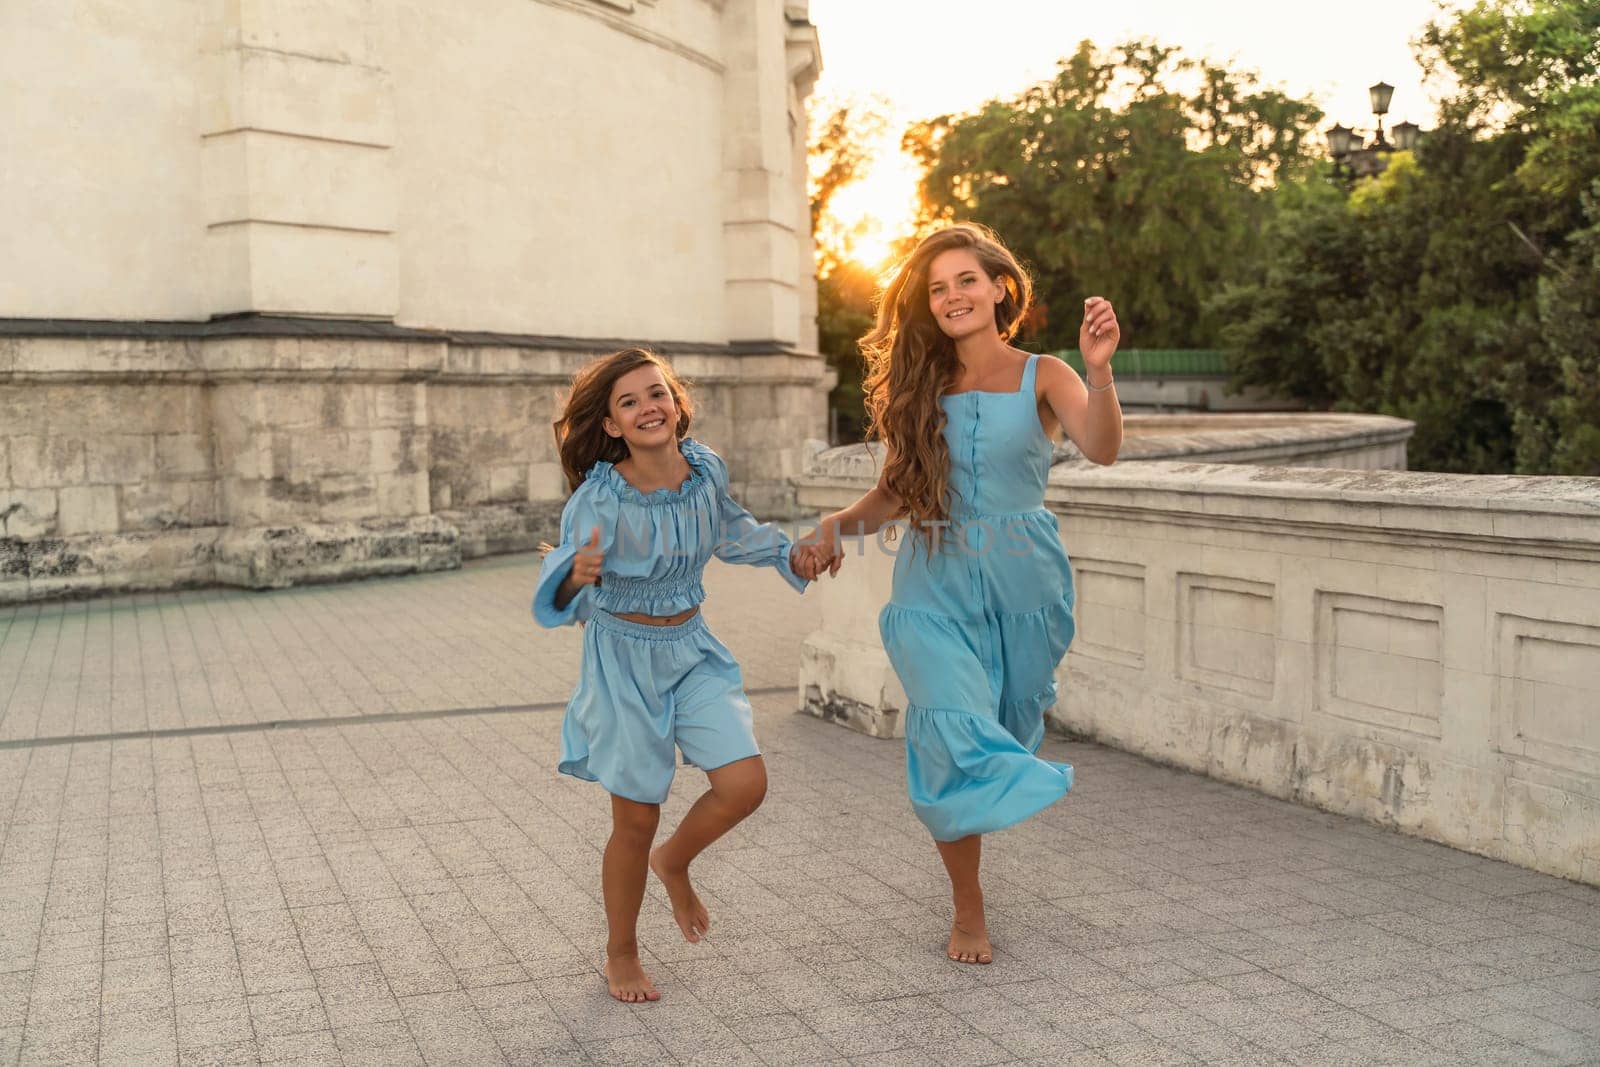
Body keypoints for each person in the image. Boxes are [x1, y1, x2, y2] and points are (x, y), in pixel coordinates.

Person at [798, 223, 1123, 964]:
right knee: (948, 730)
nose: (951, 297)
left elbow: (1102, 447)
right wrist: (835, 526)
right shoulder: (920, 386)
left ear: (999, 286)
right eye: (937, 288)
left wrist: (1099, 370)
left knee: (1002, 724)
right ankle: (968, 910)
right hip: (932, 577)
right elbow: (893, 493)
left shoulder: (1046, 373)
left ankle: (1012, 775)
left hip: (1023, 581)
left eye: (965, 281)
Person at [533, 348, 820, 1002]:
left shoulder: (705, 471)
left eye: (655, 393)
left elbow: (730, 529)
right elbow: (564, 593)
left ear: (675, 400)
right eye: (628, 402)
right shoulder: (596, 499)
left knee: (745, 782)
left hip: (693, 649)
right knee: (636, 817)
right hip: (623, 659)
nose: (647, 408)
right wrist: (573, 578)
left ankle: (677, 860)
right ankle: (621, 949)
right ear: (611, 425)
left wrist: (791, 554)